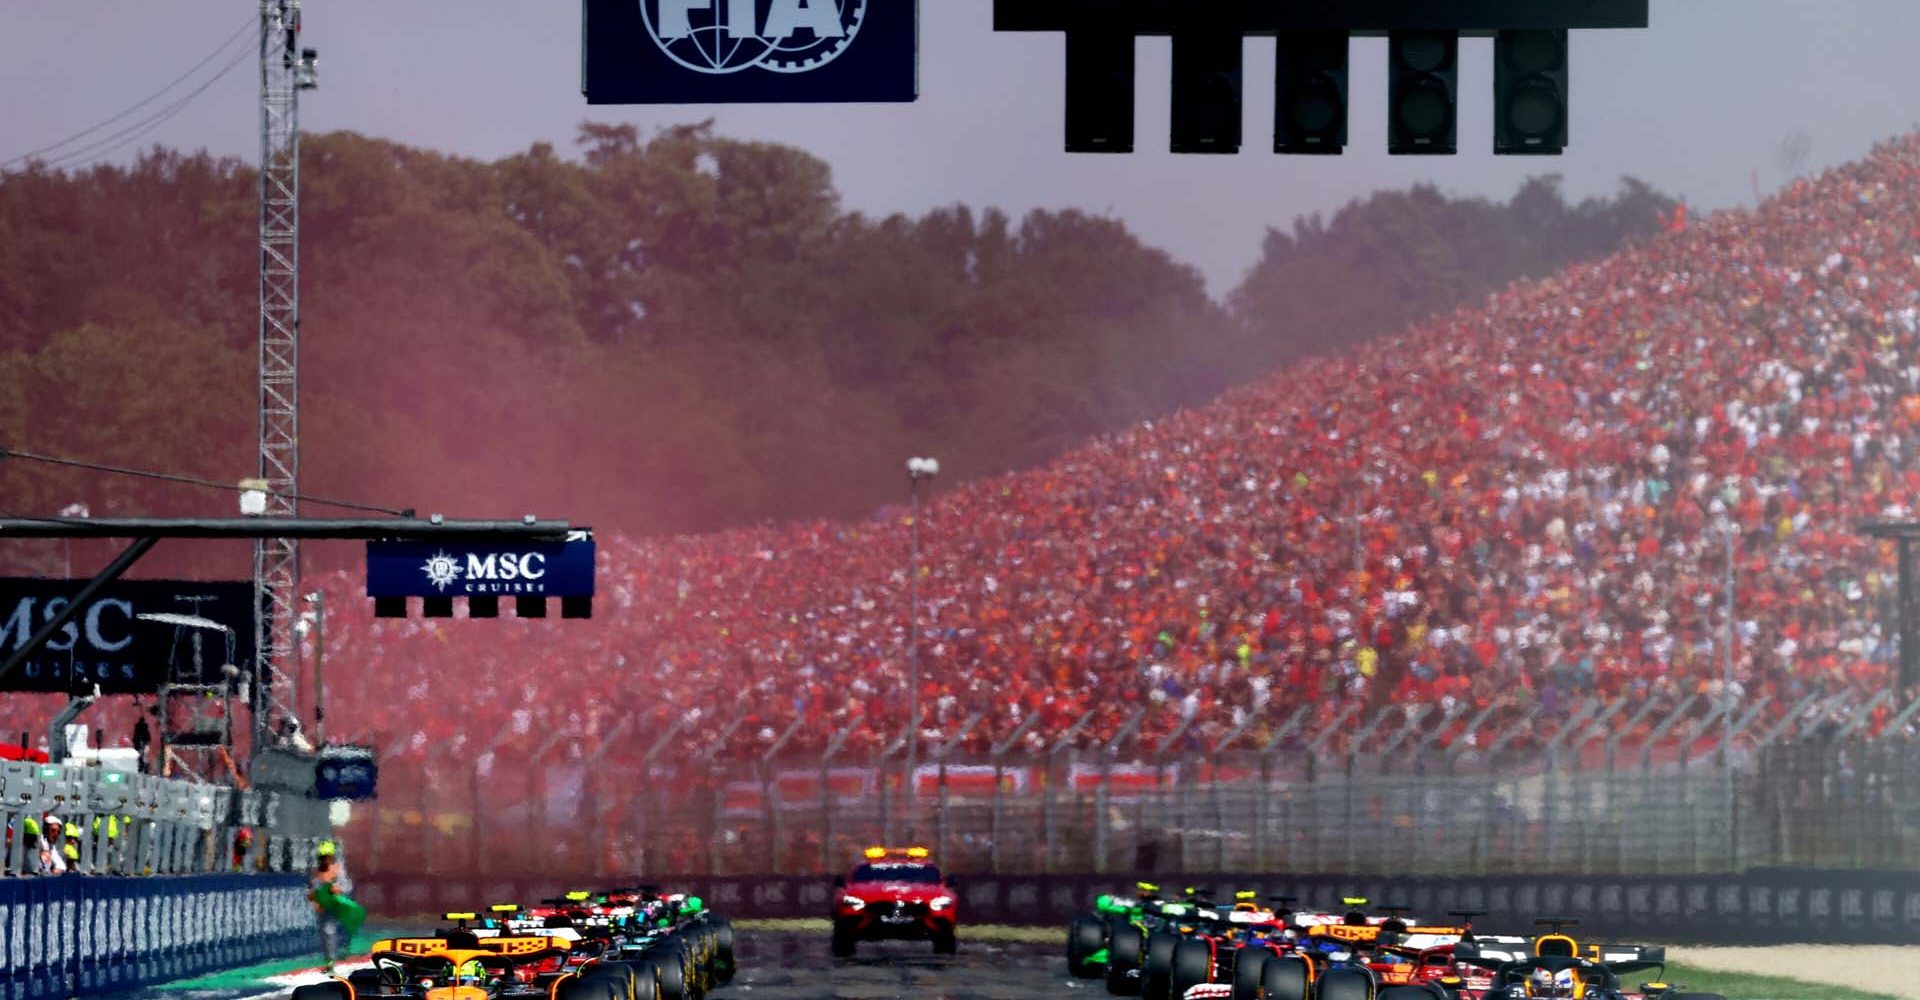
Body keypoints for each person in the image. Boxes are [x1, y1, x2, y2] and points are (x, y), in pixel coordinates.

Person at [310, 841, 343, 973]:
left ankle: (331, 961)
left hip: (333, 907)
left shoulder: (336, 871)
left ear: (331, 857)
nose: (324, 860)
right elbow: (312, 891)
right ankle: (328, 960)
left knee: (329, 932)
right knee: (323, 934)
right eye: (322, 857)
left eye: (326, 857)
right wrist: (314, 899)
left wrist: (335, 891)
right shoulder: (316, 873)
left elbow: (342, 888)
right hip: (321, 909)